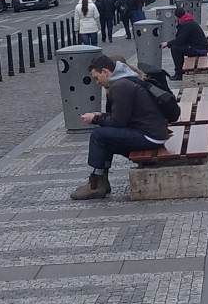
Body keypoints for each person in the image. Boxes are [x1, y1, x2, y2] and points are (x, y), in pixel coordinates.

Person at [72, 50, 172, 199]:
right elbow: (121, 116)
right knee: (106, 140)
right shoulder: (125, 79)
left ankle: (96, 185)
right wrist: (101, 116)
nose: (97, 82)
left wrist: (95, 119)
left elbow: (118, 122)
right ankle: (100, 181)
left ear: (105, 71)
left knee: (98, 136)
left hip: (150, 136)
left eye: (96, 77)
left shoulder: (121, 86)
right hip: (154, 132)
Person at [168, 8, 208, 78]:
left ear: (177, 17)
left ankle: (179, 74)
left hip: (200, 50)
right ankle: (180, 71)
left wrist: (167, 44)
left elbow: (179, 40)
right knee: (178, 47)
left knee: (175, 49)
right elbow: (182, 39)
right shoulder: (188, 21)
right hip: (201, 47)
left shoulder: (186, 24)